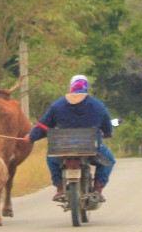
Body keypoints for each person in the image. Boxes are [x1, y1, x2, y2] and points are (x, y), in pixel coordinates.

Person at [27, 74, 116, 203]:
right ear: (86, 87)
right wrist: (107, 133)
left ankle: (60, 188)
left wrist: (31, 137)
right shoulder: (98, 106)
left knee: (51, 158)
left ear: (71, 87)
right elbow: (107, 126)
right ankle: (97, 189)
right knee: (109, 160)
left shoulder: (57, 105)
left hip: (63, 149)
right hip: (91, 148)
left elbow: (43, 126)